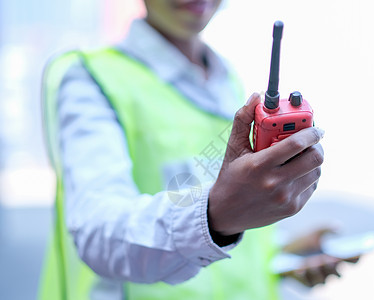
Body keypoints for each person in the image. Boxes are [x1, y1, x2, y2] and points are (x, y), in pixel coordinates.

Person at [40, 0, 356, 299]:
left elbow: (210, 201)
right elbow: (100, 234)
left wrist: (281, 255)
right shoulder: (91, 77)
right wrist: (217, 216)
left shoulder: (227, 79)